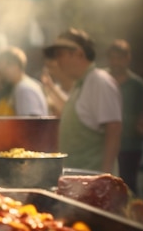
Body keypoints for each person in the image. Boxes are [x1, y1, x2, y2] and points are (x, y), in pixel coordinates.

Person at [44, 28, 122, 175]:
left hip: (94, 183)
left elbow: (114, 128)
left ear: (79, 53)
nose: (57, 61)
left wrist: (105, 176)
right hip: (78, 181)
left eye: (60, 54)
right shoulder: (81, 85)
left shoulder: (99, 81)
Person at [106, 39, 143, 194]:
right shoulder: (101, 80)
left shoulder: (137, 85)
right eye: (113, 58)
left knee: (128, 188)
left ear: (127, 59)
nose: (116, 62)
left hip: (129, 146)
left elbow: (142, 115)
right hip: (105, 143)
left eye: (119, 58)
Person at [0, 46, 48, 117]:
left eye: (4, 68)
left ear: (15, 66)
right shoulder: (22, 86)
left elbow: (31, 122)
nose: (2, 72)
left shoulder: (24, 89)